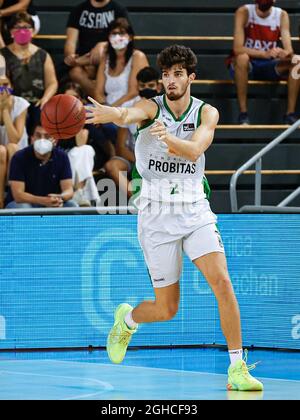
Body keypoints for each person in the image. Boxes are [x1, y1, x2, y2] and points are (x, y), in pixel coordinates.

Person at [86, 44, 264, 392]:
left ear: (191, 77)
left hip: (194, 209)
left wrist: (168, 138)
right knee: (167, 309)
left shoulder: (206, 113)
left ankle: (236, 367)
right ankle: (128, 319)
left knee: (222, 282)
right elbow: (129, 115)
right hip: (155, 216)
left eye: (178, 74)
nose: (170, 80)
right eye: (166, 74)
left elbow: (196, 148)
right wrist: (114, 113)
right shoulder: (152, 109)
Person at [230, 0, 300, 125]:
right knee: (242, 58)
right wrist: (264, 53)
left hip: (268, 65)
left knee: (297, 61)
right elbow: (237, 48)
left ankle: (290, 114)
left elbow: (289, 50)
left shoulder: (281, 14)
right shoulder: (244, 11)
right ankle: (243, 114)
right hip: (248, 65)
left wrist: (283, 52)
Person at [104, 66, 161, 198]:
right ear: (137, 87)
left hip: (159, 159)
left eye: (151, 85)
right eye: (142, 85)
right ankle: (137, 198)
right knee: (112, 166)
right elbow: (121, 147)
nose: (146, 88)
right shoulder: (127, 107)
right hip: (133, 157)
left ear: (158, 87)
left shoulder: (166, 106)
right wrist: (141, 160)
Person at [0, 11, 58, 134]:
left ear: (32, 30)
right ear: (11, 31)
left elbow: (52, 82)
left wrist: (45, 98)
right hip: (13, 102)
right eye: (18, 27)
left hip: (37, 101)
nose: (22, 30)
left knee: (42, 115)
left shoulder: (43, 55)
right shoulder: (3, 55)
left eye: (26, 27)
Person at [64, 0, 129, 96]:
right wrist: (71, 57)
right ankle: (103, 100)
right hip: (84, 60)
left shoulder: (118, 9)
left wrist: (102, 44)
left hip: (109, 57)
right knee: (75, 72)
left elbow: (123, 37)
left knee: (100, 51)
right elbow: (70, 41)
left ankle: (102, 101)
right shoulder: (79, 10)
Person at [6, 122, 77, 208]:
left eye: (47, 137)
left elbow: (69, 190)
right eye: (38, 136)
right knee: (23, 208)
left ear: (55, 140)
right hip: (26, 203)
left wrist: (59, 198)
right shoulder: (19, 157)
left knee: (72, 205)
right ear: (32, 139)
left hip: (52, 203)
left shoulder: (62, 156)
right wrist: (43, 201)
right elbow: (18, 195)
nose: (42, 140)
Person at [57, 82, 100, 206]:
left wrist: (78, 117)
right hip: (61, 158)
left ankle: (79, 191)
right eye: (67, 98)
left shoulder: (89, 118)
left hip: (83, 158)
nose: (71, 102)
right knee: (79, 152)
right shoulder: (54, 118)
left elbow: (81, 141)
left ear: (81, 100)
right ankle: (82, 195)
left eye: (75, 98)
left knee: (84, 150)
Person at [94, 18, 149, 108]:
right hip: (108, 108)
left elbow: (133, 92)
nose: (117, 37)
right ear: (109, 37)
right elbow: (98, 92)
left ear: (130, 37)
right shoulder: (105, 59)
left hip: (131, 109)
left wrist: (111, 110)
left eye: (121, 33)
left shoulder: (138, 57)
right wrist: (103, 107)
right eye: (114, 33)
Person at [0, 55, 29, 208]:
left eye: (6, 85)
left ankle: (12, 195)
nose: (2, 89)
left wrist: (4, 110)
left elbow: (15, 139)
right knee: (1, 151)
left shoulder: (20, 104)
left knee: (11, 148)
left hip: (18, 156)